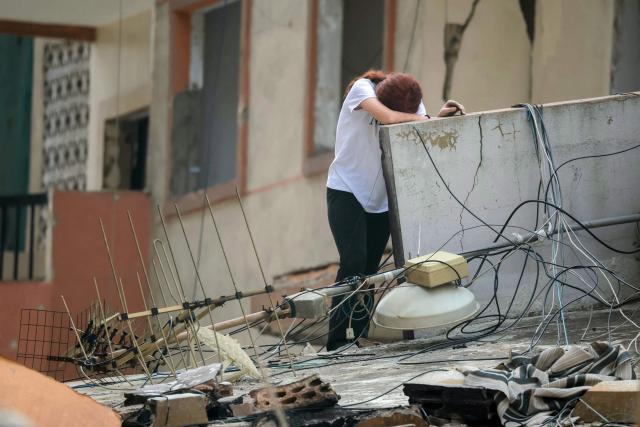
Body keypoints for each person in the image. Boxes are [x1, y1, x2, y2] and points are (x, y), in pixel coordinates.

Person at [325, 70, 465, 351]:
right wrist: (422, 119)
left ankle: (358, 335)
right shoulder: (363, 89)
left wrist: (437, 118)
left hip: (380, 200)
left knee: (370, 270)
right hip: (346, 189)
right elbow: (391, 119)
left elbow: (418, 126)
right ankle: (338, 340)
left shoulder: (412, 103)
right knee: (353, 261)